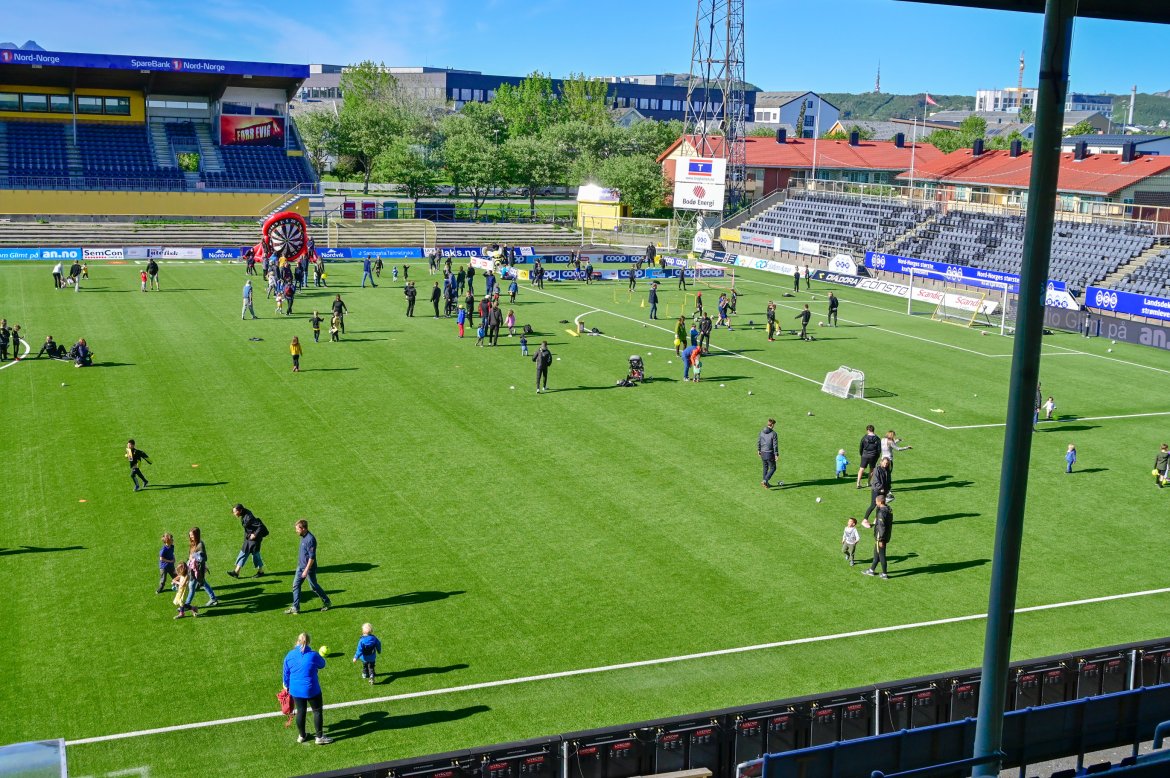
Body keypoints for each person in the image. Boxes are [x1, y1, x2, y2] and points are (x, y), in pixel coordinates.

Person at [283, 632, 332, 744]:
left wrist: (286, 685)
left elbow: (286, 673)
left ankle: (302, 736)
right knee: (317, 711)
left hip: (295, 689)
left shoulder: (290, 655)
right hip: (312, 689)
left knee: (300, 711)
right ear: (308, 642)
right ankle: (319, 737)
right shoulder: (313, 655)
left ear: (297, 641)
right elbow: (322, 664)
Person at [288, 519, 331, 614]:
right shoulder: (303, 536)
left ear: (303, 528)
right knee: (295, 585)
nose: (296, 531)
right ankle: (296, 607)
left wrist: (306, 570)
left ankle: (327, 602)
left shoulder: (310, 539)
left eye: (297, 529)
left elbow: (312, 558)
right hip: (300, 566)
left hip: (308, 568)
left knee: (314, 587)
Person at [227, 504, 268, 578]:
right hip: (249, 538)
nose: (234, 514)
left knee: (255, 555)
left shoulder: (249, 517)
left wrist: (255, 535)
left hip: (254, 539)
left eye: (235, 512)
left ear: (240, 510)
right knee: (244, 552)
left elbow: (260, 526)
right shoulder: (244, 513)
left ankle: (260, 571)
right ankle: (236, 572)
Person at [862, 496, 893, 579]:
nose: (876, 503)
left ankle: (884, 574)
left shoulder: (881, 513)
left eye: (876, 502)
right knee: (876, 554)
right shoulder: (888, 509)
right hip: (886, 535)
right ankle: (872, 570)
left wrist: (880, 539)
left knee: (881, 555)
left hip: (881, 537)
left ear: (880, 502)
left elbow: (881, 527)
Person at [857, 425, 881, 489]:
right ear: (873, 430)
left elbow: (861, 447)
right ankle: (868, 483)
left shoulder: (864, 437)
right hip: (873, 456)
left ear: (868, 430)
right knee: (872, 469)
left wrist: (861, 454)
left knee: (861, 469)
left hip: (865, 455)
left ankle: (858, 483)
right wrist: (877, 456)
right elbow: (879, 449)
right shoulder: (877, 438)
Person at [758, 418, 779, 489]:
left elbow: (759, 441)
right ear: (772, 425)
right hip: (769, 453)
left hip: (763, 453)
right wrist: (776, 454)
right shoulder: (774, 433)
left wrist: (759, 450)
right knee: (773, 468)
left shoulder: (761, 432)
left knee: (765, 467)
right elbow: (775, 445)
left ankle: (766, 484)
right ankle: (765, 480)